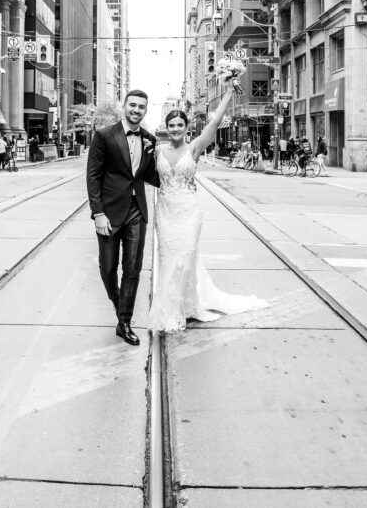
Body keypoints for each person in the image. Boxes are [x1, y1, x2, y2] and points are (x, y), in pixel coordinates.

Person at [148, 78, 269, 334]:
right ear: (166, 127)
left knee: (185, 255)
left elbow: (214, 123)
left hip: (189, 212)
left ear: (186, 127)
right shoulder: (158, 150)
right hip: (166, 212)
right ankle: (176, 306)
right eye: (172, 125)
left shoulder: (194, 148)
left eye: (180, 124)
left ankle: (176, 309)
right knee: (169, 259)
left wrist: (227, 94)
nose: (176, 129)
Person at [86, 89, 160, 346]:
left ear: (145, 111)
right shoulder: (105, 136)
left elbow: (150, 175)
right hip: (108, 213)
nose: (136, 110)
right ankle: (121, 307)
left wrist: (176, 167)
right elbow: (93, 176)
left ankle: (124, 323)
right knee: (108, 269)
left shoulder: (150, 140)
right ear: (124, 106)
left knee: (132, 269)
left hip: (136, 212)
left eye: (141, 106)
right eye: (133, 105)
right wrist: (98, 213)